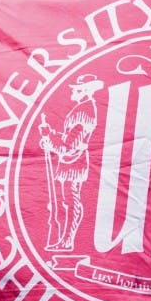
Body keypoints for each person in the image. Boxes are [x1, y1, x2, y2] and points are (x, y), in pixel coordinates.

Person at [39, 74, 104, 251]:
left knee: (71, 200)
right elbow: (69, 140)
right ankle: (65, 240)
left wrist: (50, 143)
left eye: (76, 89)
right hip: (71, 161)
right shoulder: (82, 109)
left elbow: (70, 146)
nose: (73, 92)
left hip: (74, 161)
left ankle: (68, 241)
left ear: (84, 91)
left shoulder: (84, 111)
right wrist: (50, 135)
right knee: (68, 200)